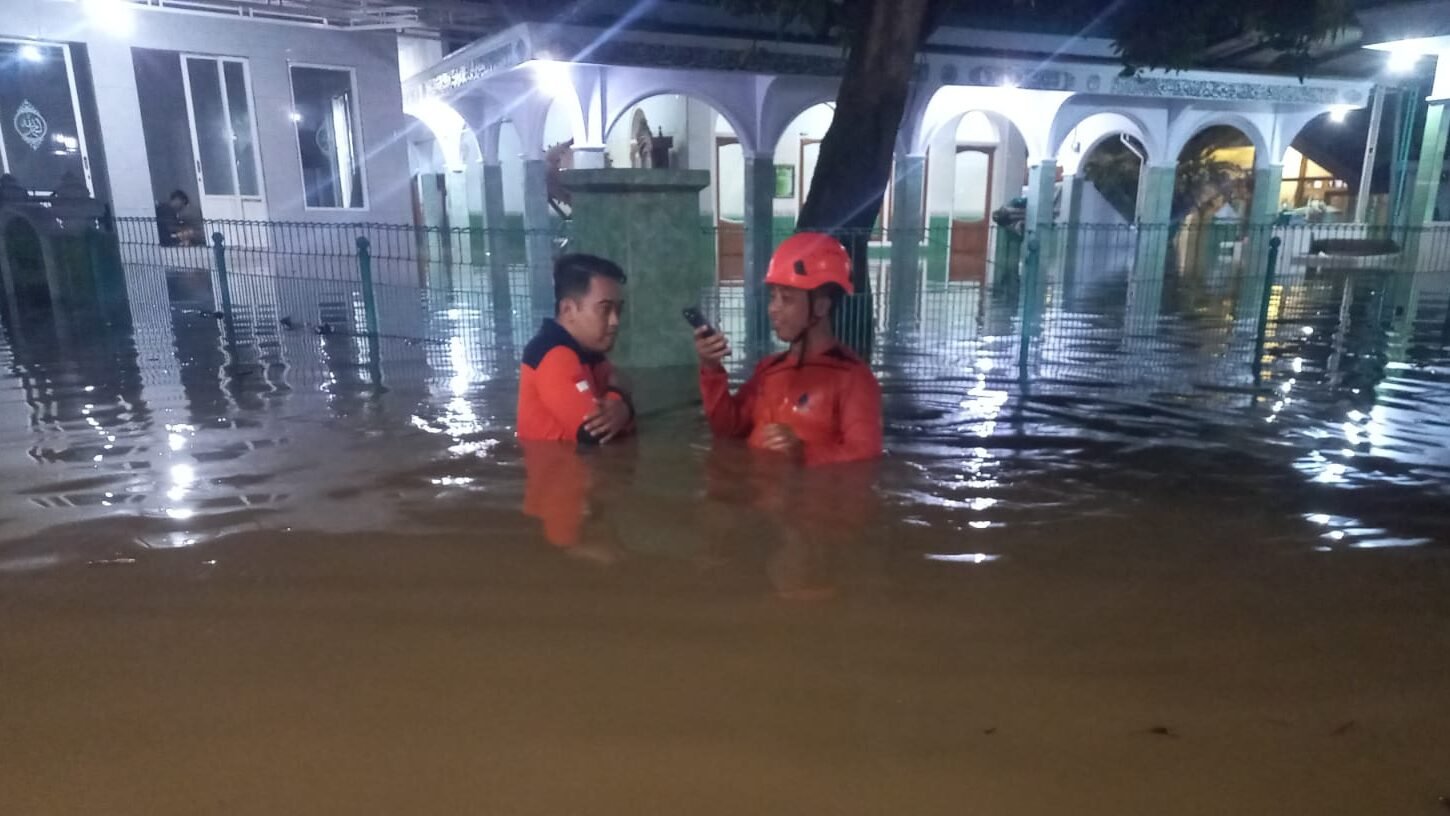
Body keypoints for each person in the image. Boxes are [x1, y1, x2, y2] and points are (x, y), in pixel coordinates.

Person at [694, 231, 882, 466]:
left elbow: (866, 457)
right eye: (773, 296)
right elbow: (727, 429)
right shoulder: (768, 370)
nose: (773, 308)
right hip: (761, 495)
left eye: (787, 298)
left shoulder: (853, 379)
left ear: (821, 306)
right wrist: (711, 368)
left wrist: (804, 454)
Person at [518, 253, 634, 554]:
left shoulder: (590, 355)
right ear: (569, 309)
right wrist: (621, 399)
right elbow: (593, 432)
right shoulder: (554, 355)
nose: (615, 322)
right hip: (557, 476)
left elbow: (617, 421)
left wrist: (621, 406)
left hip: (575, 473)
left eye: (618, 310)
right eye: (605, 310)